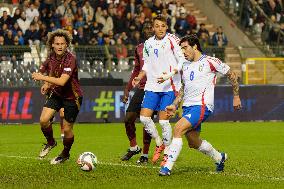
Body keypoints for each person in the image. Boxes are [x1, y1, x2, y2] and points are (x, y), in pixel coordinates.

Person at [158, 34, 242, 176]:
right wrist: (174, 104)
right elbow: (183, 88)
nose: (183, 52)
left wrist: (236, 96)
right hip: (188, 107)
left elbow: (231, 74)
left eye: (185, 48)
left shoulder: (210, 61)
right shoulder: (185, 65)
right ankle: (219, 157)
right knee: (193, 142)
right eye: (181, 49)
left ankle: (167, 168)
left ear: (195, 46)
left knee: (178, 129)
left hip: (202, 105)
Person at [132, 15, 186, 165]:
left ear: (167, 27)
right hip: (152, 85)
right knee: (144, 118)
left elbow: (182, 60)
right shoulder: (148, 43)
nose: (160, 29)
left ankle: (167, 154)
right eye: (157, 26)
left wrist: (169, 75)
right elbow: (147, 65)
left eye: (163, 26)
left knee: (163, 122)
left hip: (170, 86)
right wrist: (139, 76)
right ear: (153, 28)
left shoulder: (173, 40)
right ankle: (158, 142)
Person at [32, 29, 83, 164]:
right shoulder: (51, 57)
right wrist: (46, 83)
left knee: (67, 129)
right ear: (52, 45)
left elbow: (61, 81)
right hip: (57, 94)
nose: (60, 46)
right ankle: (51, 142)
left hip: (72, 97)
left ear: (67, 45)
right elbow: (45, 70)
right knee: (43, 120)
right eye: (57, 44)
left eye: (62, 43)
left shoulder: (70, 59)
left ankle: (65, 153)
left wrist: (42, 78)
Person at [121, 21, 153, 164]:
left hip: (156, 89)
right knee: (128, 118)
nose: (149, 30)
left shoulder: (164, 47)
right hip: (142, 88)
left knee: (147, 122)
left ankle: (145, 155)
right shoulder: (139, 48)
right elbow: (136, 70)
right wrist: (128, 89)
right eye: (146, 28)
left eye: (151, 27)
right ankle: (134, 147)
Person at [39, 56, 65, 141]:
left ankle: (63, 133)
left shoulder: (67, 61)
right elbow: (41, 71)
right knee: (46, 119)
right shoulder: (48, 61)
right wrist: (46, 83)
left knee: (62, 114)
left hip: (62, 91)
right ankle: (50, 137)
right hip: (52, 91)